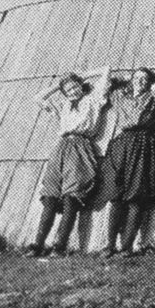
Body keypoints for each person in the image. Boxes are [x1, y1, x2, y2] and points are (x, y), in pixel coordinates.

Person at [27, 65, 111, 257]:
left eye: (75, 87)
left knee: (71, 196)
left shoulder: (93, 100)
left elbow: (106, 70)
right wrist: (60, 85)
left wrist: (81, 76)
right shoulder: (63, 106)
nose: (72, 92)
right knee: (50, 194)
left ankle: (59, 246)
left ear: (81, 86)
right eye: (68, 90)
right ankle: (37, 245)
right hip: (61, 148)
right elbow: (38, 98)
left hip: (81, 148)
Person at [100, 68, 155, 257]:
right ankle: (109, 245)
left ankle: (126, 246)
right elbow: (106, 82)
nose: (140, 81)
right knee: (116, 195)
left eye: (145, 79)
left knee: (137, 197)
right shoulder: (119, 96)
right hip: (122, 144)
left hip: (144, 144)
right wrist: (127, 78)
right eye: (137, 78)